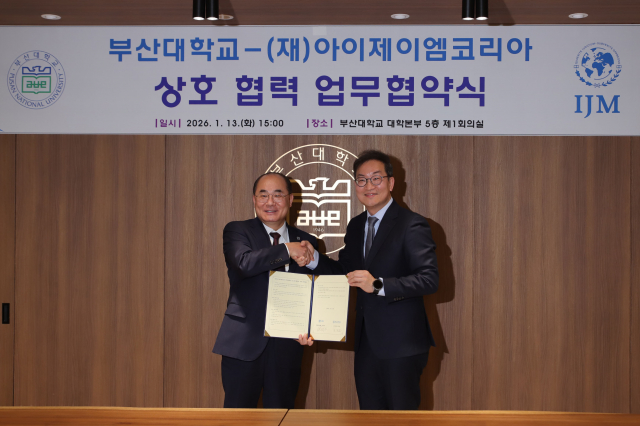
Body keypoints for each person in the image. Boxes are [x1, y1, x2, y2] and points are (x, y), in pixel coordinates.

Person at [304, 150, 439, 410]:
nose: (369, 186)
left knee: (402, 419)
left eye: (376, 178)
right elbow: (345, 271)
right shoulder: (356, 226)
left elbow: (429, 279)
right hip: (366, 343)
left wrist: (377, 285)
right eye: (362, 180)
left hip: (402, 344)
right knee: (369, 417)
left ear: (391, 182)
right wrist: (313, 260)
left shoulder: (412, 224)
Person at [212, 172, 315, 409]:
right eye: (263, 195)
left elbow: (312, 290)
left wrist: (311, 326)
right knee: (237, 418)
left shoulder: (307, 241)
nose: (270, 202)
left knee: (282, 416)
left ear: (290, 199)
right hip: (243, 343)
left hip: (288, 346)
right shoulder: (237, 231)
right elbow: (244, 263)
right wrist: (287, 250)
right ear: (254, 199)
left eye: (278, 195)